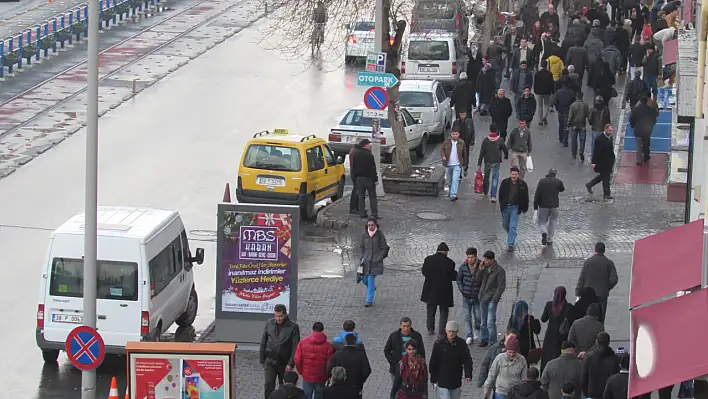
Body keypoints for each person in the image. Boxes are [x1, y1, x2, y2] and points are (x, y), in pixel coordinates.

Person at [260, 304, 302, 399]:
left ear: (285, 315)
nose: (278, 318)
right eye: (276, 316)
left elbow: (296, 346)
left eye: (280, 316)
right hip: (270, 360)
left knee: (284, 388)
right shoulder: (269, 323)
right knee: (268, 385)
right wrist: (262, 359)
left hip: (284, 362)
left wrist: (291, 363)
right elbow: (263, 341)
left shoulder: (293, 327)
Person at [421, 242, 458, 336]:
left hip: (430, 290)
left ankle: (430, 328)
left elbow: (424, 272)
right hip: (444, 291)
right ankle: (441, 331)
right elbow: (453, 277)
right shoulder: (450, 262)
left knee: (430, 310)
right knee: (444, 312)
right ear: (446, 252)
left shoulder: (428, 259)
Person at [429, 321, 473, 399]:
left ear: (457, 332)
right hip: (443, 380)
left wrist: (468, 374)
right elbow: (434, 362)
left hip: (455, 379)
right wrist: (433, 378)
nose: (451, 334)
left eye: (453, 332)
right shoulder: (439, 344)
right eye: (449, 331)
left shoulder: (461, 344)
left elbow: (467, 360)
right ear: (446, 331)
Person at [576, 242, 618, 323]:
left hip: (588, 295)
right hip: (602, 294)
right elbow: (614, 279)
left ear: (595, 250)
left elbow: (582, 278)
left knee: (587, 318)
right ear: (604, 250)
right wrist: (607, 287)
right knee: (600, 319)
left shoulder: (588, 262)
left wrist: (578, 291)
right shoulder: (609, 263)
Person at [385, 317, 426, 399]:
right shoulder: (394, 336)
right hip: (397, 369)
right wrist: (392, 361)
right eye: (404, 326)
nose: (406, 328)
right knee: (396, 388)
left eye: (408, 326)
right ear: (400, 326)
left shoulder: (417, 336)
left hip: (412, 369)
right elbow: (387, 350)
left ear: (410, 326)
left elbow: (421, 351)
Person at [294, 322, 334, 399]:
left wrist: (301, 371)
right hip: (321, 377)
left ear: (312, 330)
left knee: (306, 395)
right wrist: (328, 375)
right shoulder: (328, 345)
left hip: (307, 375)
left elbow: (297, 360)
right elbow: (330, 363)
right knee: (319, 395)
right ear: (322, 330)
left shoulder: (302, 342)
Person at [326, 333, 371, 399]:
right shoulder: (361, 356)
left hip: (339, 387)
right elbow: (367, 371)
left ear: (345, 341)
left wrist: (331, 378)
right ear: (355, 342)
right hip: (355, 387)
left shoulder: (337, 355)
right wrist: (360, 381)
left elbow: (329, 369)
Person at [540, 287, 574, 369]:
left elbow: (543, 319)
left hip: (550, 335)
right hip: (562, 336)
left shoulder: (549, 305)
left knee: (547, 356)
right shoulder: (568, 307)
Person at [479, 250, 507, 347]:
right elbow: (477, 279)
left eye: (486, 260)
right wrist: (481, 270)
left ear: (491, 260)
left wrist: (494, 299)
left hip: (491, 299)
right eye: (484, 260)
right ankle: (484, 339)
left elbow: (501, 286)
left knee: (490, 322)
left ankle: (492, 342)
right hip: (483, 298)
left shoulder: (499, 270)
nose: (484, 261)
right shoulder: (485, 269)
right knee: (483, 322)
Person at [580, 332, 620, 399]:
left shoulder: (589, 357)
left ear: (596, 341)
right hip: (609, 394)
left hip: (592, 394)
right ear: (609, 342)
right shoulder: (615, 358)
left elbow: (584, 376)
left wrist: (586, 393)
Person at [499, 167, 530, 251]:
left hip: (515, 207)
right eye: (512, 174)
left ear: (518, 175)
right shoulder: (505, 182)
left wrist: (525, 208)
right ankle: (512, 234)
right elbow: (500, 194)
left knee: (512, 226)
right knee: (505, 225)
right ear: (510, 174)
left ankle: (510, 244)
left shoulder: (522, 184)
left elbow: (526, 197)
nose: (514, 176)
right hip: (505, 207)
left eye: (515, 174)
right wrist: (501, 204)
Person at [359, 217, 388, 307]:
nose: (371, 227)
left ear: (375, 225)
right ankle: (372, 287)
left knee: (371, 278)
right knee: (364, 279)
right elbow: (362, 246)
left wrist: (380, 257)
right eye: (369, 225)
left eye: (372, 225)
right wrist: (362, 257)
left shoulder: (379, 235)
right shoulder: (364, 234)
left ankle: (369, 300)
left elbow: (384, 247)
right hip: (366, 261)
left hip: (376, 262)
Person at [456, 247, 483, 344]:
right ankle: (469, 334)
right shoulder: (463, 267)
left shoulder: (481, 266)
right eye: (468, 257)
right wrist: (462, 290)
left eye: (472, 257)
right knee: (467, 317)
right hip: (466, 296)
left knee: (478, 316)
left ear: (476, 256)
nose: (470, 259)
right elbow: (458, 279)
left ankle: (477, 328)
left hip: (477, 296)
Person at [478, 124, 509, 201]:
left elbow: (482, 152)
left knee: (486, 177)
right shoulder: (500, 140)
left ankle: (485, 191)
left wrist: (479, 164)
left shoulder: (485, 140)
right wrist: (506, 155)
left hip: (487, 161)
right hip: (496, 161)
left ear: (490, 130)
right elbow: (505, 149)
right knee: (495, 178)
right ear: (497, 130)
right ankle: (493, 196)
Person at [534, 169, 565, 246]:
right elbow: (562, 189)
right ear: (555, 174)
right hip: (554, 205)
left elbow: (537, 194)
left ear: (548, 173)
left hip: (543, 205)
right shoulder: (558, 181)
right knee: (552, 222)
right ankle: (549, 239)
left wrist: (535, 205)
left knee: (541, 222)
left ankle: (544, 232)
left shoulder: (542, 181)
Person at [351, 138, 379, 219]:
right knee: (372, 196)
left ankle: (362, 213)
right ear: (365, 145)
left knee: (361, 196)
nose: (370, 146)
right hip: (369, 179)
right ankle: (374, 214)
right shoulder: (369, 155)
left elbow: (354, 166)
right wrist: (375, 179)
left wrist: (355, 177)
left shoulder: (357, 154)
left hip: (359, 178)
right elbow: (373, 168)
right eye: (369, 144)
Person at [630, 95, 659, 165]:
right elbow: (654, 117)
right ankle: (646, 157)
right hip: (647, 129)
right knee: (646, 144)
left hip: (638, 129)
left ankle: (639, 160)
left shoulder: (636, 109)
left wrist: (632, 125)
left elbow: (632, 118)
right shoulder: (650, 109)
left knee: (638, 145)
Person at [440, 128, 468, 201]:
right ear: (451, 134)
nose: (455, 136)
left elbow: (464, 153)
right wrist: (443, 156)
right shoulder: (446, 142)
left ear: (459, 134)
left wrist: (465, 164)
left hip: (457, 164)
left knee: (455, 179)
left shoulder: (462, 142)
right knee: (450, 180)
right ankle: (451, 190)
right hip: (448, 164)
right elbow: (442, 149)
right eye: (453, 134)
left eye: (456, 134)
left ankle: (453, 194)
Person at [567, 92, 590, 161]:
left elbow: (570, 116)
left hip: (574, 124)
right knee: (582, 139)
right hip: (582, 124)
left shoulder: (573, 105)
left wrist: (568, 123)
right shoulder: (585, 105)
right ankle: (581, 151)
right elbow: (587, 114)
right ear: (582, 97)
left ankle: (574, 154)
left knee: (574, 140)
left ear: (576, 97)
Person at [554, 81, 576, 146]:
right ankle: (565, 140)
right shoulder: (572, 92)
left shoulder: (558, 92)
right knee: (566, 126)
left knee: (561, 125)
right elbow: (573, 103)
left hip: (560, 111)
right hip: (568, 111)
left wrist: (557, 108)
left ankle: (560, 138)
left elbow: (555, 102)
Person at [534, 61, 554, 125]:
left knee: (540, 106)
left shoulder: (537, 74)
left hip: (539, 92)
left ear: (541, 65)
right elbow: (552, 83)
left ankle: (540, 120)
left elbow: (535, 83)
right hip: (547, 92)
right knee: (546, 105)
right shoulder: (550, 74)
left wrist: (535, 91)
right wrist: (552, 91)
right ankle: (545, 117)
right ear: (546, 65)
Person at [348, 141, 361, 215]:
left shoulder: (354, 151)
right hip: (356, 174)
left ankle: (356, 207)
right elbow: (354, 165)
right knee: (356, 191)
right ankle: (354, 208)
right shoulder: (355, 152)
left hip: (355, 174)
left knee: (357, 191)